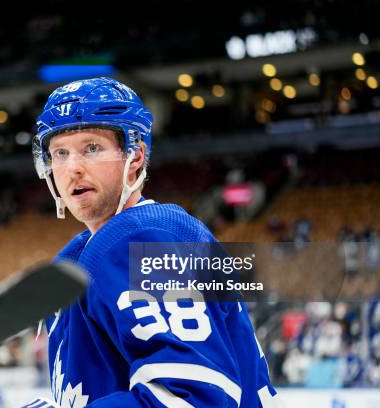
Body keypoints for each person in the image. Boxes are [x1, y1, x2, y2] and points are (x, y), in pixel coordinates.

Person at [28, 77, 278, 407]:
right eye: (60, 152)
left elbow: (194, 399)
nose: (72, 168)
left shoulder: (146, 238)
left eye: (92, 148)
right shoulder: (82, 255)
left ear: (134, 158)